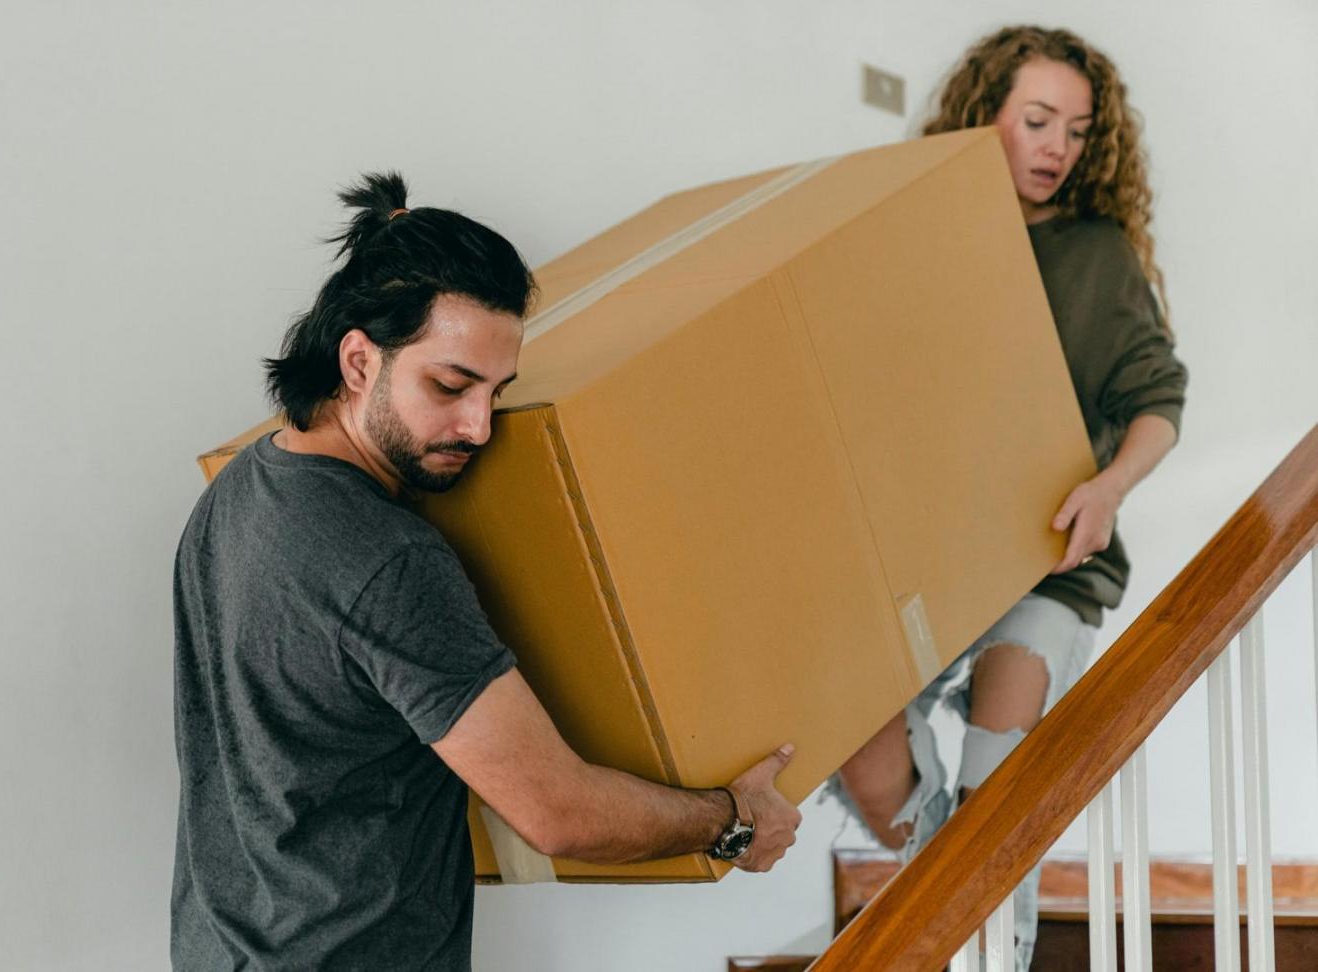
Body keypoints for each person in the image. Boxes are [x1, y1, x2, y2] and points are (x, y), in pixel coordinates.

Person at [171, 172, 802, 971]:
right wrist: (731, 821)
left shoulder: (236, 490)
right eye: (450, 384)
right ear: (359, 361)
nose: (477, 427)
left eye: (497, 393)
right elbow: (558, 812)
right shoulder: (387, 559)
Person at [823, 25, 1188, 969]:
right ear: (984, 115)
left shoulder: (1097, 253)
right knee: (859, 751)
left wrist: (1109, 488)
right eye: (1036, 121)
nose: (1058, 148)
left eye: (1076, 130)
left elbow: (1157, 401)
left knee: (999, 778)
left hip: (1049, 559)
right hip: (924, 556)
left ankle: (985, 947)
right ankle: (944, 907)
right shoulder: (912, 235)